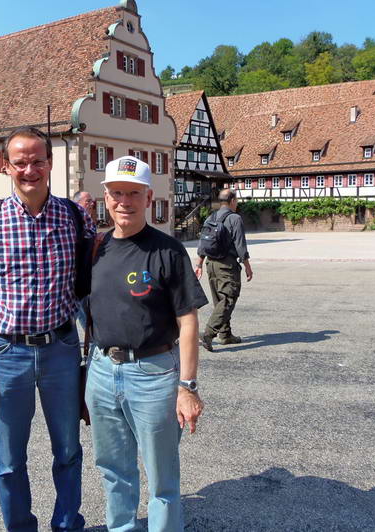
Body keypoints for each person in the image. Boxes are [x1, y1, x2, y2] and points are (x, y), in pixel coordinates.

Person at [0, 126, 94, 532]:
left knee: (68, 449)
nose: (29, 169)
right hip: (6, 352)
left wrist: (95, 352)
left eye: (37, 161)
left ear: (50, 163)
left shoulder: (74, 216)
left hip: (61, 349)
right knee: (10, 458)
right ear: (6, 166)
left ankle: (67, 524)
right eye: (20, 162)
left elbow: (87, 289)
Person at [85, 155, 207, 531]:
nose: (125, 201)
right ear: (105, 197)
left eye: (134, 193)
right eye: (117, 192)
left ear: (148, 197)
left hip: (154, 375)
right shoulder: (95, 249)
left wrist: (186, 388)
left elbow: (188, 322)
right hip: (103, 371)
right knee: (113, 468)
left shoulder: (167, 251)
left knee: (162, 478)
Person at [195, 189, 253, 352]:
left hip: (211, 265)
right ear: (232, 201)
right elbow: (241, 245)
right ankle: (208, 333)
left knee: (220, 300)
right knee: (228, 298)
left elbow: (203, 243)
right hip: (227, 265)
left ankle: (226, 335)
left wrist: (199, 264)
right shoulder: (235, 218)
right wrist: (247, 266)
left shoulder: (210, 217)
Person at [72, 190, 97, 330]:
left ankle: (90, 340)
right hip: (74, 278)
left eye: (92, 201)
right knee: (79, 312)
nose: (92, 204)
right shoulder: (71, 221)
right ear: (77, 203)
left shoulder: (89, 221)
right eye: (88, 201)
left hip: (86, 277)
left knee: (84, 313)